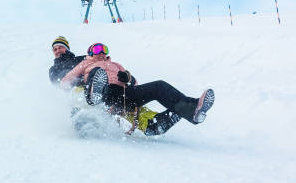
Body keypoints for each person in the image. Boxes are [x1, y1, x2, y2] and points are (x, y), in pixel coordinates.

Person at [61, 42, 214, 133]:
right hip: (103, 93)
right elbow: (65, 81)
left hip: (123, 95)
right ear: (90, 53)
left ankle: (193, 111)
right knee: (98, 72)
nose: (101, 52)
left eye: (104, 50)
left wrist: (128, 78)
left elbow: (134, 84)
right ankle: (95, 96)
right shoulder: (86, 64)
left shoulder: (116, 64)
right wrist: (81, 80)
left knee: (159, 86)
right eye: (96, 50)